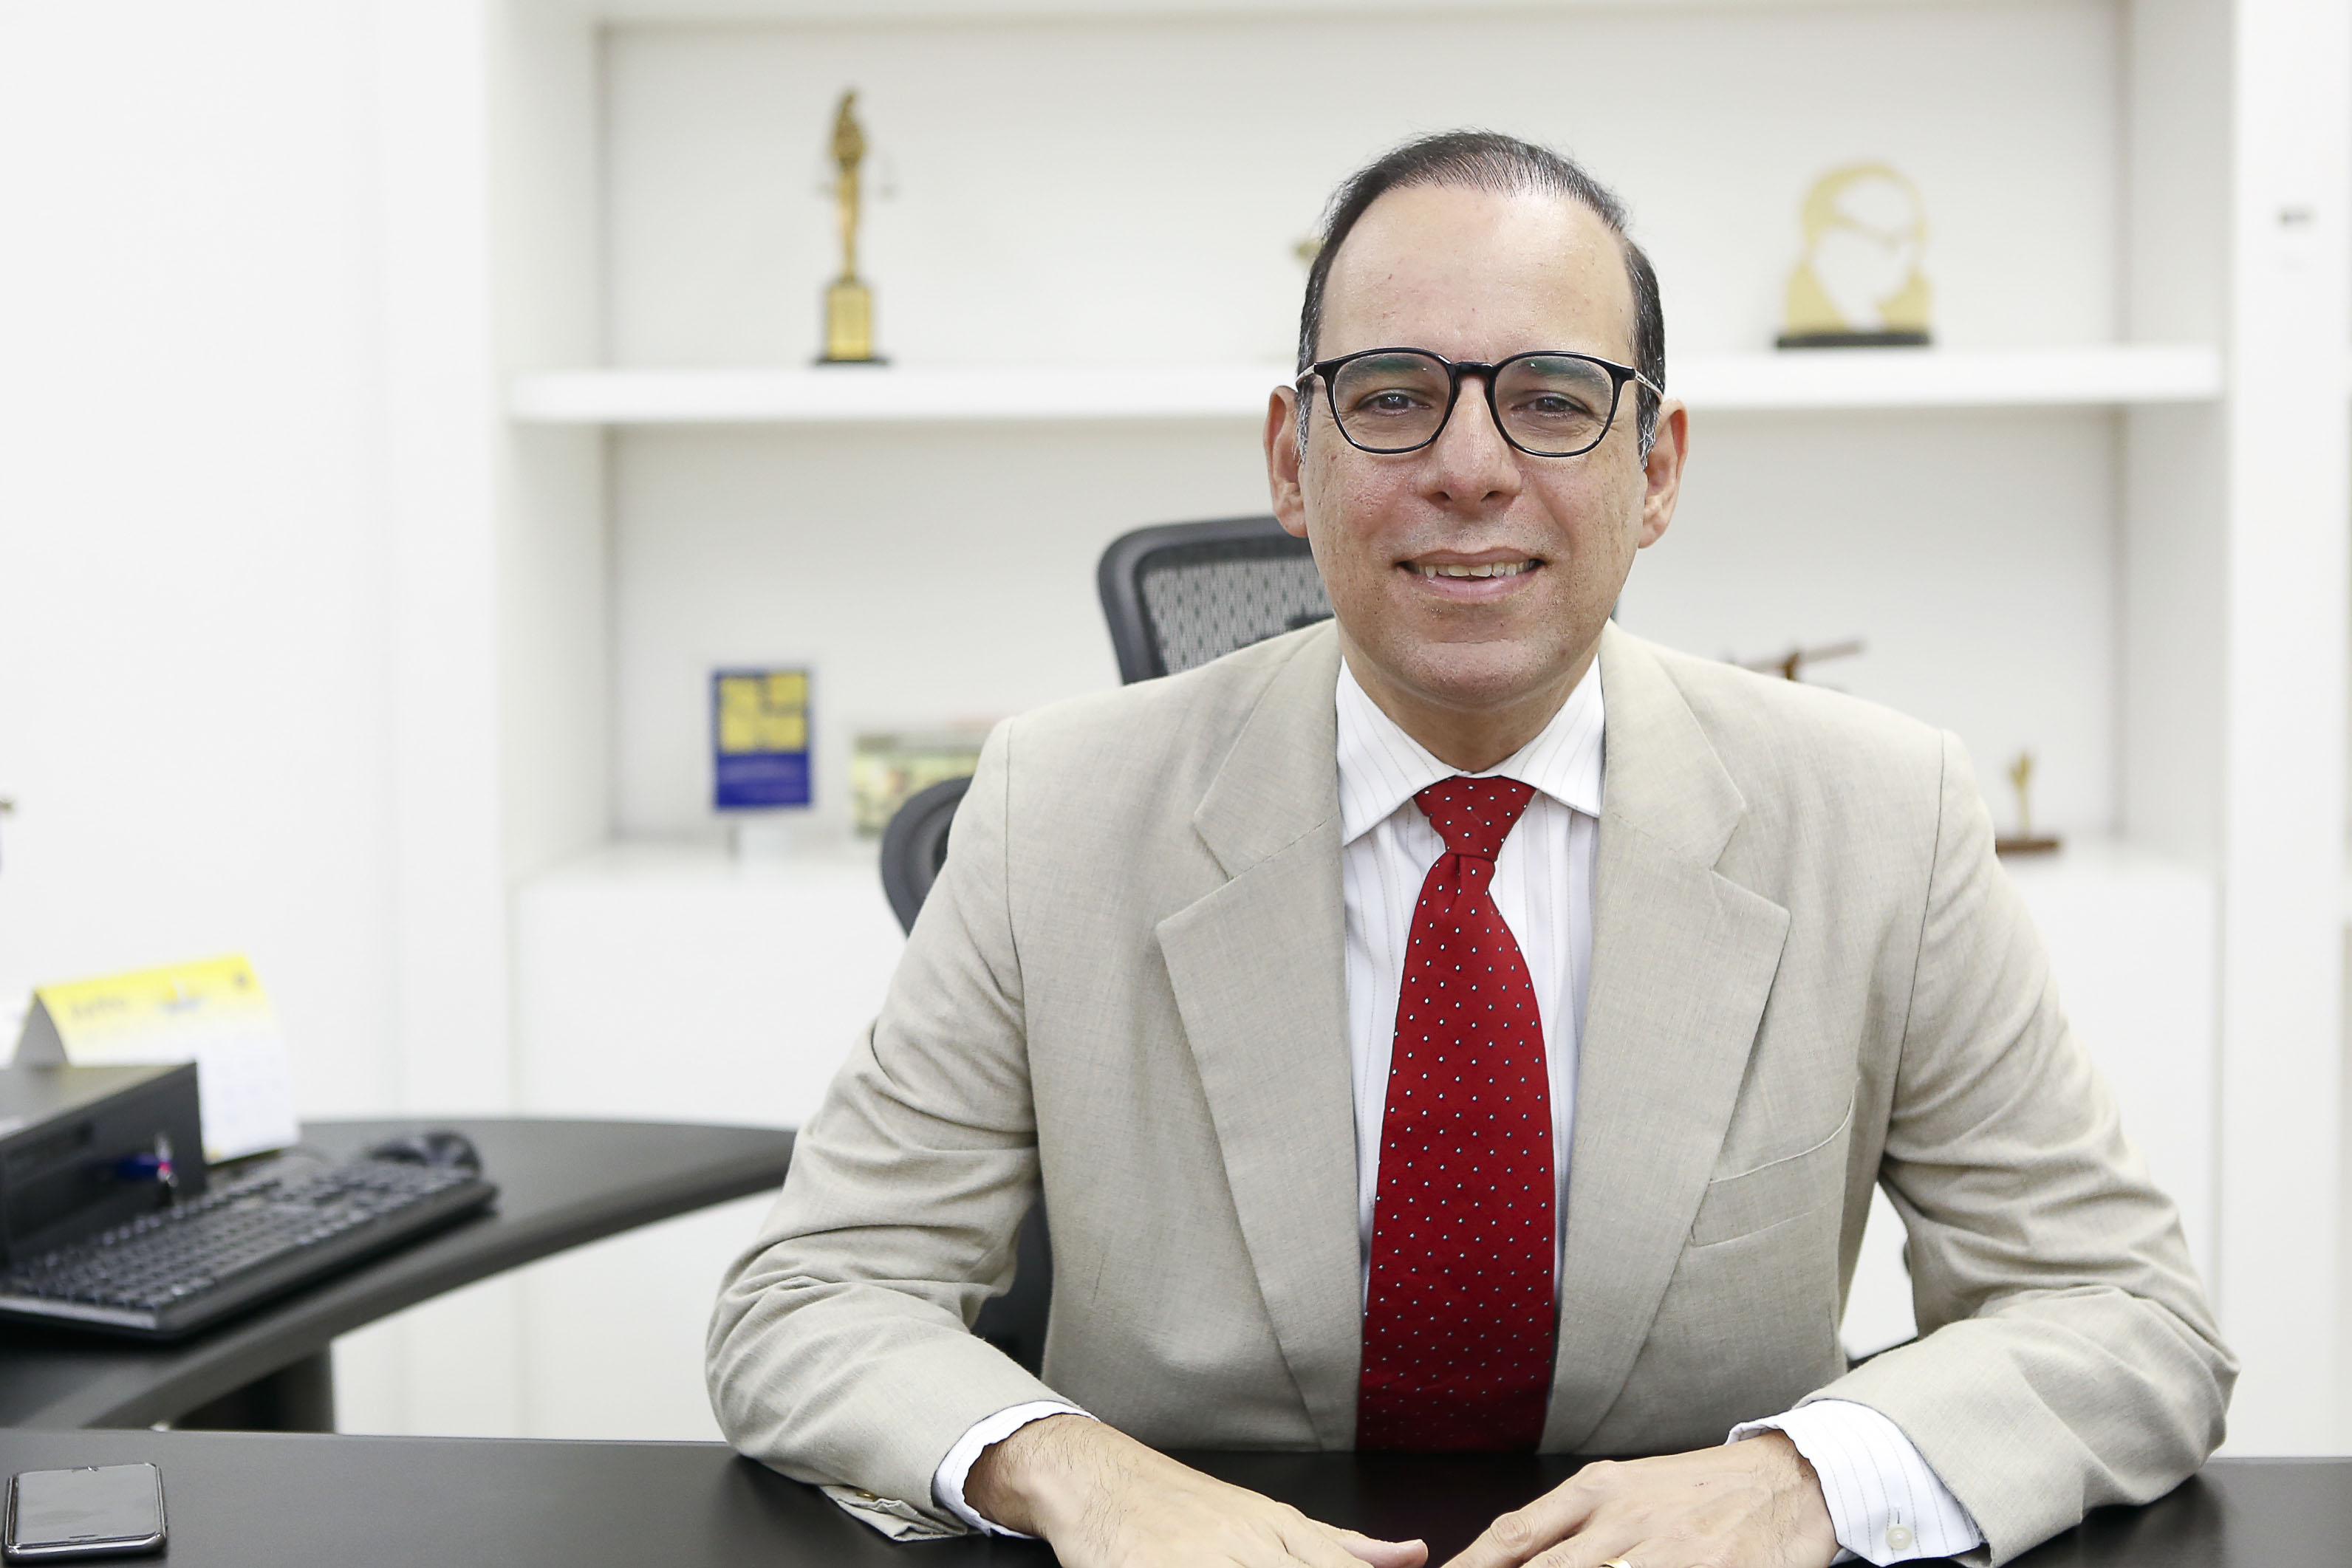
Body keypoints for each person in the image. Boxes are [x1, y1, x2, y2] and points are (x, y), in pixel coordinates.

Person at [707, 131, 2232, 1568]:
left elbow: (2127, 1316)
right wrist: (1077, 1472)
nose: (1471, 468)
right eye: (1390, 396)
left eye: (1554, 400)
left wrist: (1804, 1481)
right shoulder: (1055, 807)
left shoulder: (1881, 816)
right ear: (1290, 461)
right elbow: (812, 1297)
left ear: (1656, 469)